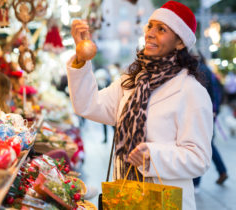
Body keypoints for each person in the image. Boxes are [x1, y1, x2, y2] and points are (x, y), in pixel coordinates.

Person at [67, 1, 212, 210]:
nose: (150, 33)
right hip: (126, 197)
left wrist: (152, 156)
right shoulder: (131, 82)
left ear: (180, 42)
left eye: (161, 29)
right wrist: (82, 58)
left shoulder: (191, 91)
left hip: (164, 202)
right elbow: (88, 105)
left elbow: (199, 158)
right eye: (150, 26)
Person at [193, 52, 228, 192]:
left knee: (201, 146)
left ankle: (196, 182)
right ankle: (222, 171)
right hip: (209, 112)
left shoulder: (198, 70)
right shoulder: (207, 70)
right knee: (207, 144)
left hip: (202, 113)